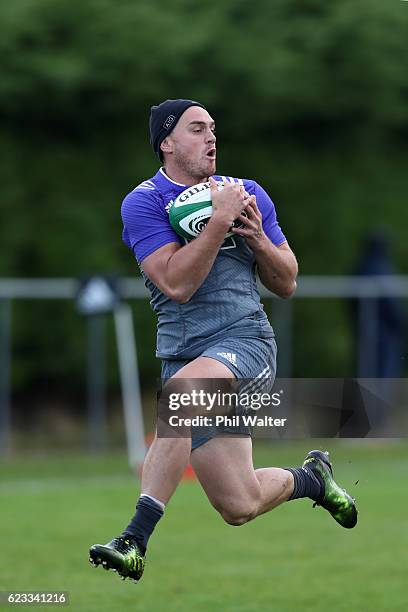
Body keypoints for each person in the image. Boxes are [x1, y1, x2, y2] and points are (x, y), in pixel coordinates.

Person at [89, 99, 357, 583]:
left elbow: (288, 281)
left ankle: (134, 540)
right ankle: (311, 480)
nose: (211, 137)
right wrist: (218, 223)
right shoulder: (144, 201)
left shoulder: (246, 193)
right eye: (197, 129)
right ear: (166, 143)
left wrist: (256, 237)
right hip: (182, 357)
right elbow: (176, 284)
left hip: (245, 343)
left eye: (213, 128)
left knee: (180, 400)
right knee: (239, 504)